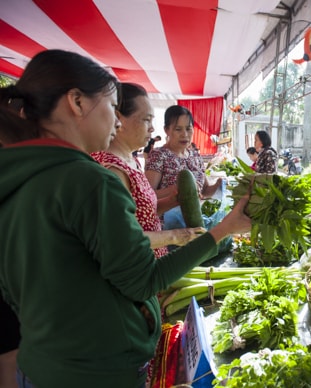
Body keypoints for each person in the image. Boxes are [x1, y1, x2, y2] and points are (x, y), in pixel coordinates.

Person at [0, 49, 251, 387]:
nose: (116, 121)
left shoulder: (18, 174)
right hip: (98, 370)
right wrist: (222, 230)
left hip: (40, 363)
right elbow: (144, 280)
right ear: (76, 102)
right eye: (110, 105)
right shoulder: (89, 180)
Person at [91, 83, 203, 258]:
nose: (152, 128)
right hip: (135, 268)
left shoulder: (131, 159)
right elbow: (120, 237)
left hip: (152, 263)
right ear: (119, 119)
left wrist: (175, 199)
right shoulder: (111, 170)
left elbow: (142, 214)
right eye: (146, 120)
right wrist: (176, 236)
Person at [144, 105, 222, 203]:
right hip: (168, 217)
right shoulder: (158, 155)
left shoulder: (195, 156)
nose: (184, 134)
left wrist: (218, 185)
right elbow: (147, 195)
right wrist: (178, 190)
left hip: (193, 217)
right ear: (166, 130)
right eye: (178, 129)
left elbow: (204, 191)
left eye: (188, 129)